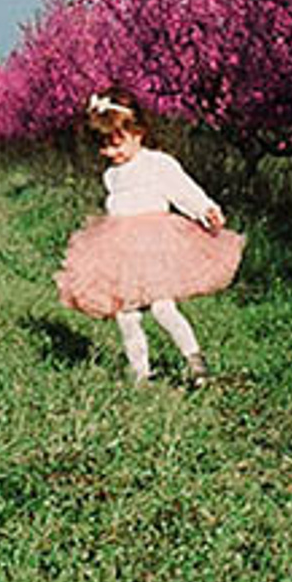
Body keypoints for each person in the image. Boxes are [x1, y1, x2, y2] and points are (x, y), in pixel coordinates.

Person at [54, 90, 242, 388]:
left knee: (162, 308)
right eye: (104, 147)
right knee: (125, 316)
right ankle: (141, 374)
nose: (111, 153)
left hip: (156, 247)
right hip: (121, 251)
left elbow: (183, 190)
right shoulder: (111, 175)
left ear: (137, 132)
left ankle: (195, 362)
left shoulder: (157, 163)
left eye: (117, 144)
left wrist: (205, 209)